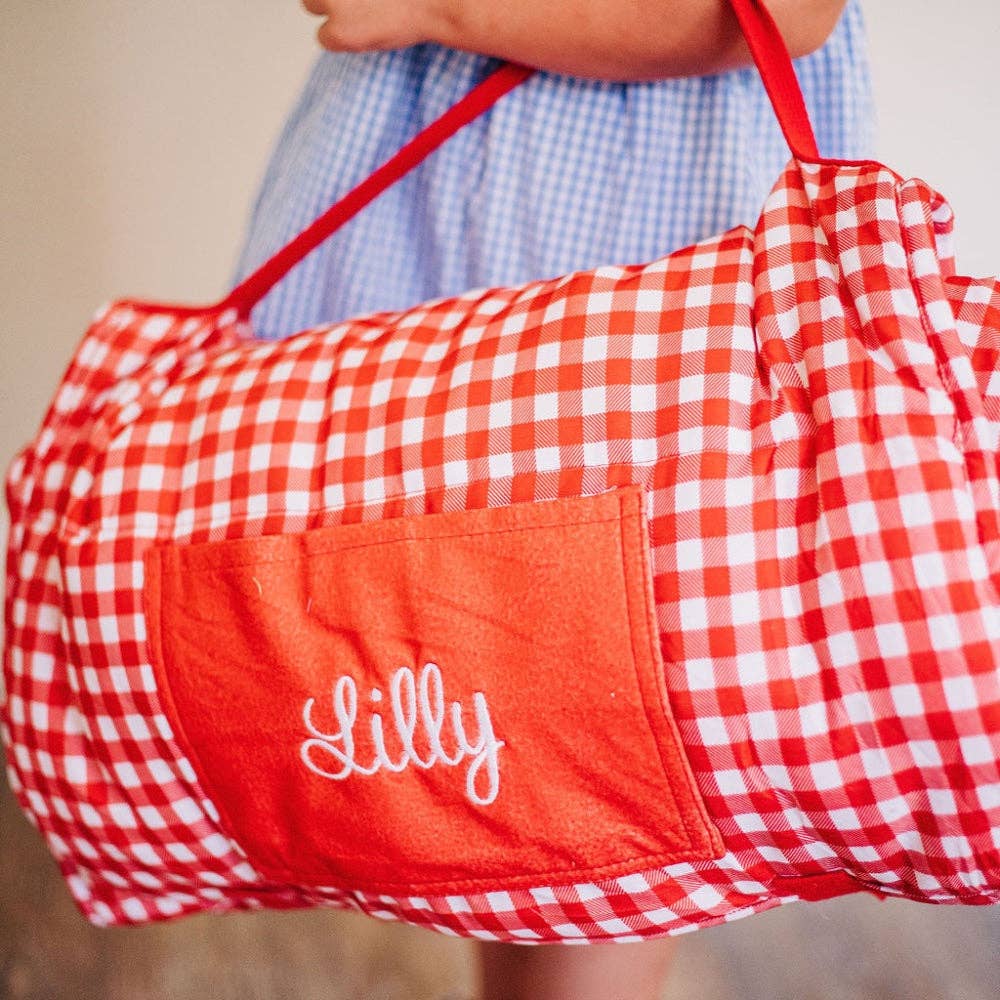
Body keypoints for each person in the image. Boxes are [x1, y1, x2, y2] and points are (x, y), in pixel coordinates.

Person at [229, 1, 875, 996]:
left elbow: (785, 11)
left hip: (648, 203)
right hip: (414, 200)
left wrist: (439, 8)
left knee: (622, 766)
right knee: (492, 725)